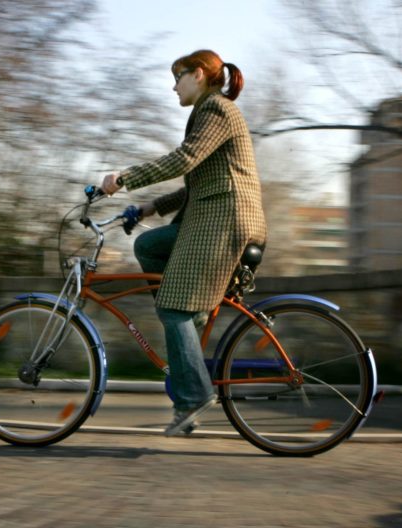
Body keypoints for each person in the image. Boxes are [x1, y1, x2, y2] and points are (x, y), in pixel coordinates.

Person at [100, 49, 267, 436]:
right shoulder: (209, 113)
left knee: (173, 309)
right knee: (148, 247)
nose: (173, 85)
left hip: (223, 223)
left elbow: (184, 159)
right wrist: (147, 209)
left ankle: (192, 395)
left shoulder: (216, 110)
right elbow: (195, 185)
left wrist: (124, 177)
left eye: (178, 76)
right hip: (209, 218)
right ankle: (187, 321)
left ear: (198, 75)